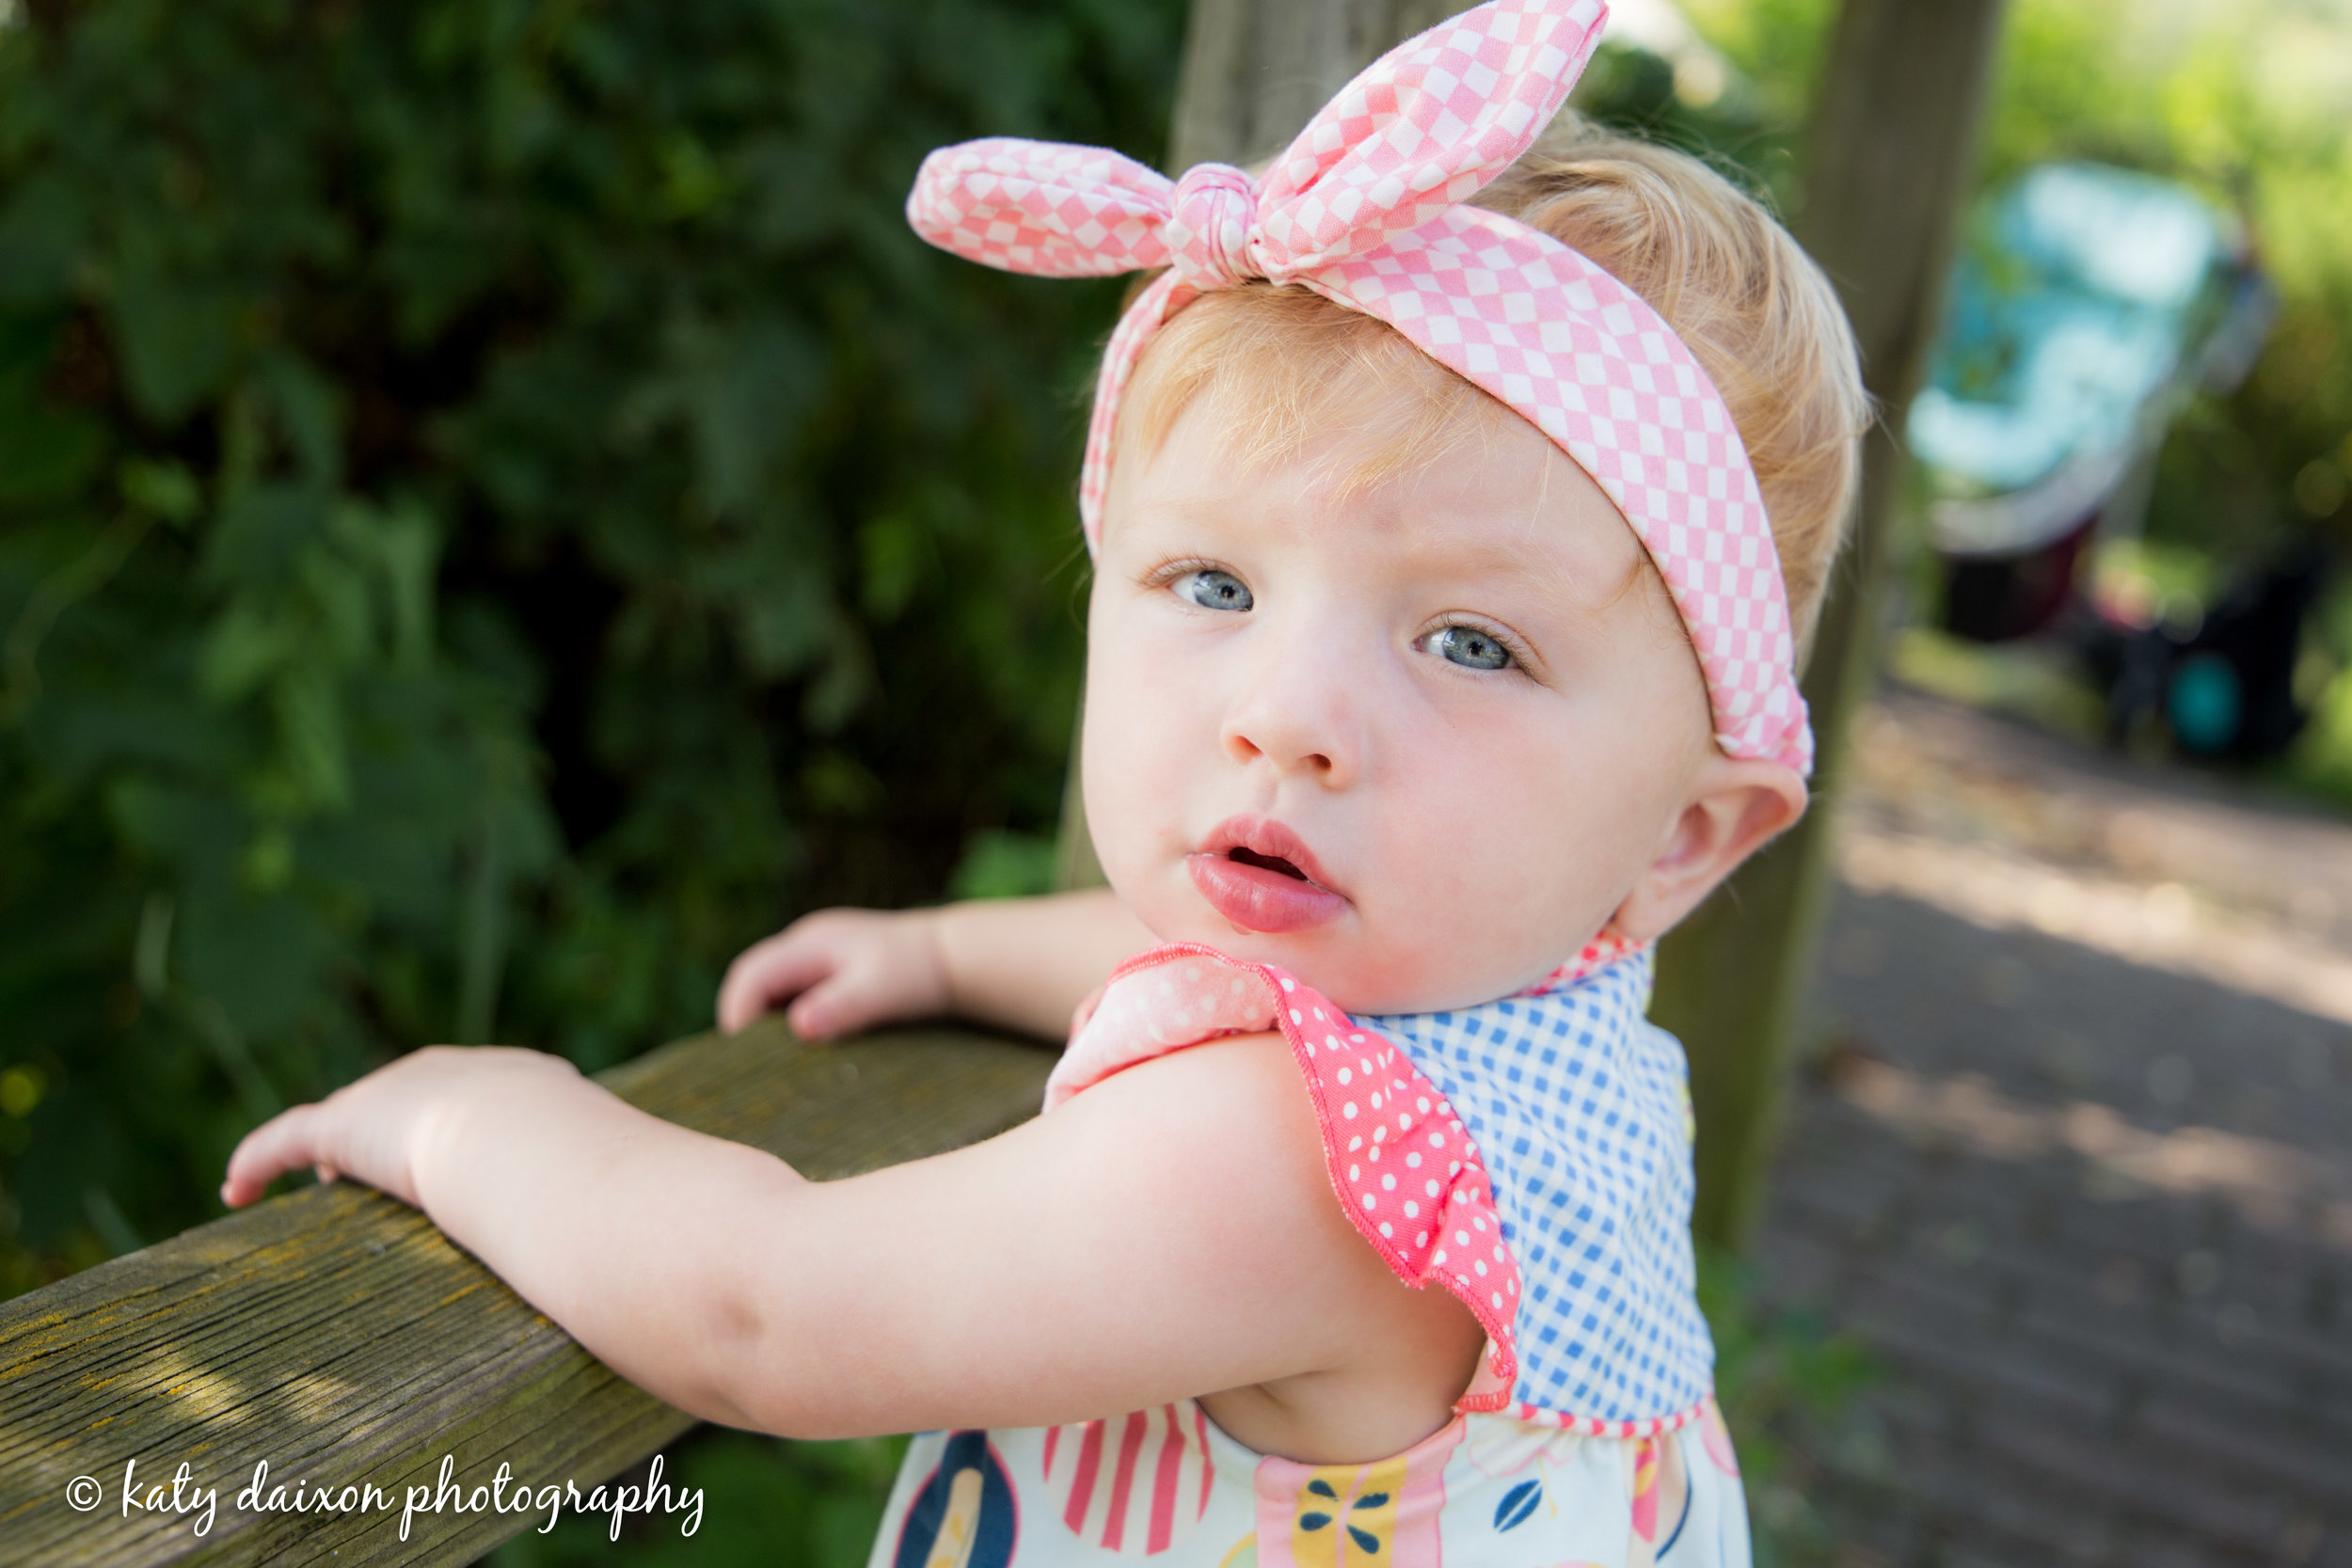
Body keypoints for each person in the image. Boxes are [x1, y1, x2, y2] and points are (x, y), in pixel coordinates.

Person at [223, 2, 1866, 1561]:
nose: (1287, 717)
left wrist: (469, 1118)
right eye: (1214, 587)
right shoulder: (1521, 1031)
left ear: (1686, 833)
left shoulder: (1293, 1169)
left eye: (1470, 644)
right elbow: (1226, 972)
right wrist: (944, 954)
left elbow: (767, 1314)